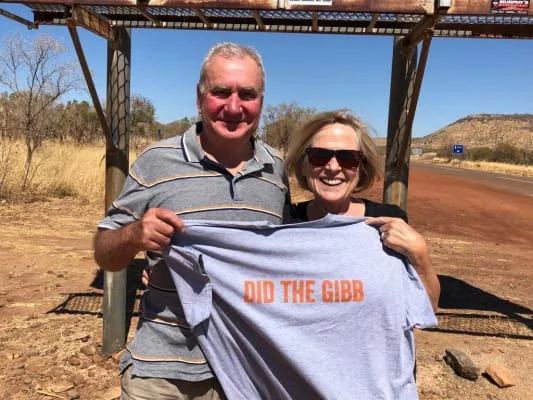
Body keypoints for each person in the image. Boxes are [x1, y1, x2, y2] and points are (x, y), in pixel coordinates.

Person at [93, 42, 290, 399]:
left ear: (261, 101)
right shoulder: (156, 161)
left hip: (247, 372)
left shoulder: (276, 170)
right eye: (221, 92)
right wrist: (134, 235)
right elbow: (104, 253)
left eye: (247, 94)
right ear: (199, 98)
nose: (234, 107)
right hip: (163, 373)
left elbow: (286, 259)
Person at [285, 109, 440, 310]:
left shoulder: (389, 221)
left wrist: (419, 255)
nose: (333, 167)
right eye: (319, 155)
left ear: (361, 168)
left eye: (348, 158)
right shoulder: (286, 223)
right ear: (303, 165)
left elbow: (427, 308)